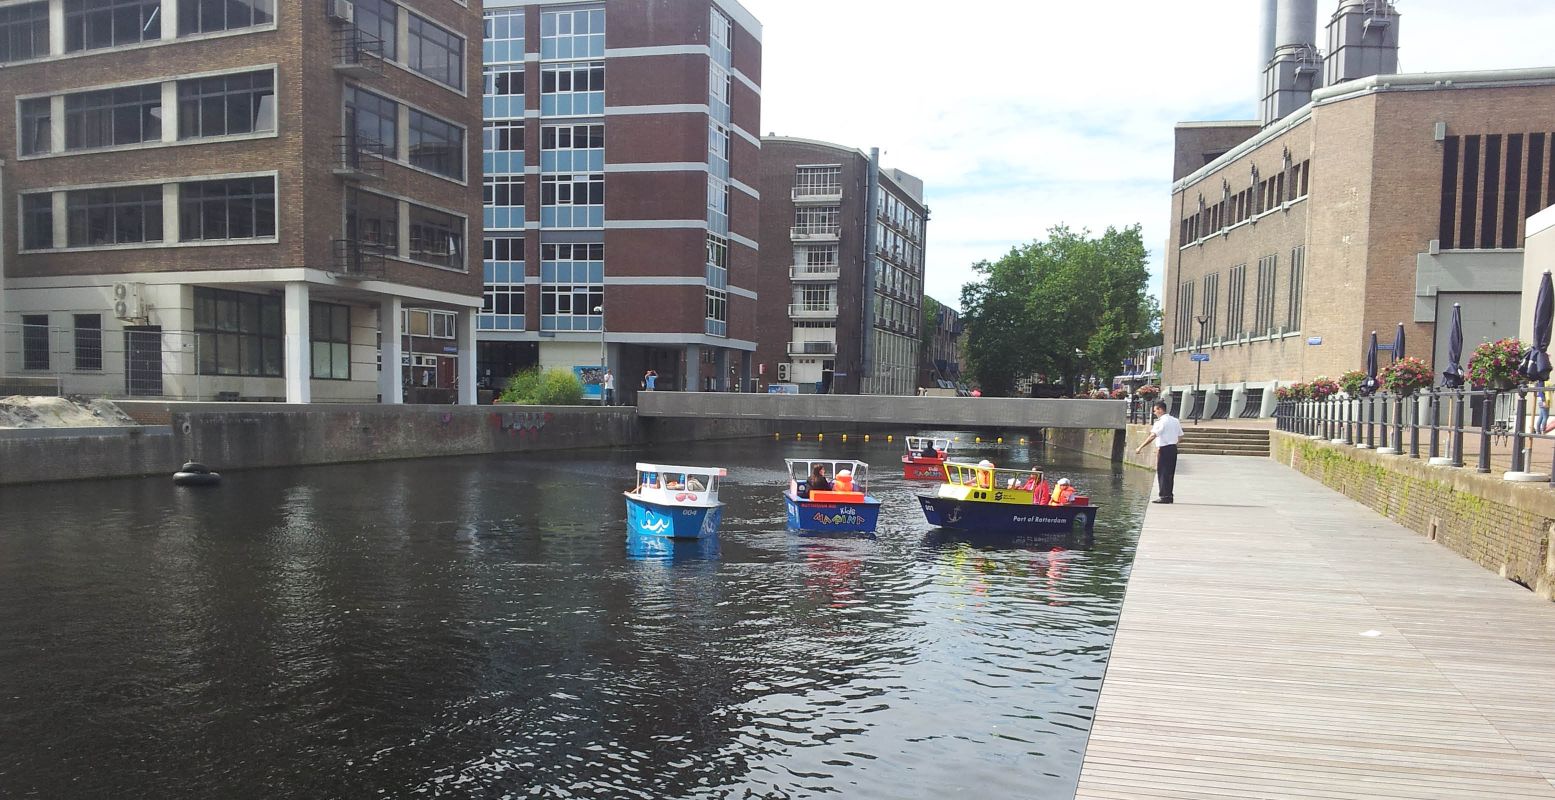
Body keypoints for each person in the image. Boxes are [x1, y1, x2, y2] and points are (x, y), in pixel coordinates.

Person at [1135, 401, 1183, 504]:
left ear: (1160, 409)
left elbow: (1153, 436)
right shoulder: (1175, 420)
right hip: (1173, 448)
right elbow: (1180, 436)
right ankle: (1169, 495)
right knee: (1170, 473)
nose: (1155, 412)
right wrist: (1173, 443)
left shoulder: (1160, 422)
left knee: (1163, 473)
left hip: (1164, 449)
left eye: (1155, 410)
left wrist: (1140, 447)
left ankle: (1164, 496)